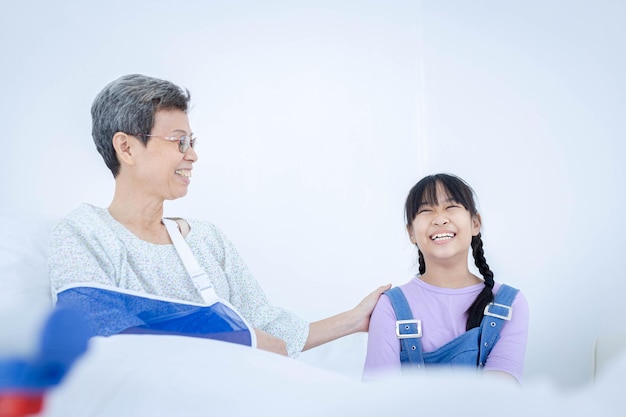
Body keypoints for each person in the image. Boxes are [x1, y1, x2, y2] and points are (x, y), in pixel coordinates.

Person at [48, 73, 390, 358]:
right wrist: (243, 340)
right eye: (179, 141)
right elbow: (97, 327)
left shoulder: (207, 240)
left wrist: (354, 319)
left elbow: (270, 329)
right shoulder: (83, 233)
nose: (193, 155)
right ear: (126, 147)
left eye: (192, 141)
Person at [362, 173, 529, 382]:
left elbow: (501, 393)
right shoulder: (389, 306)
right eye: (425, 210)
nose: (440, 218)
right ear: (411, 232)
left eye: (451, 207)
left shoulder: (510, 303)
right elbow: (377, 397)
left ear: (475, 223)